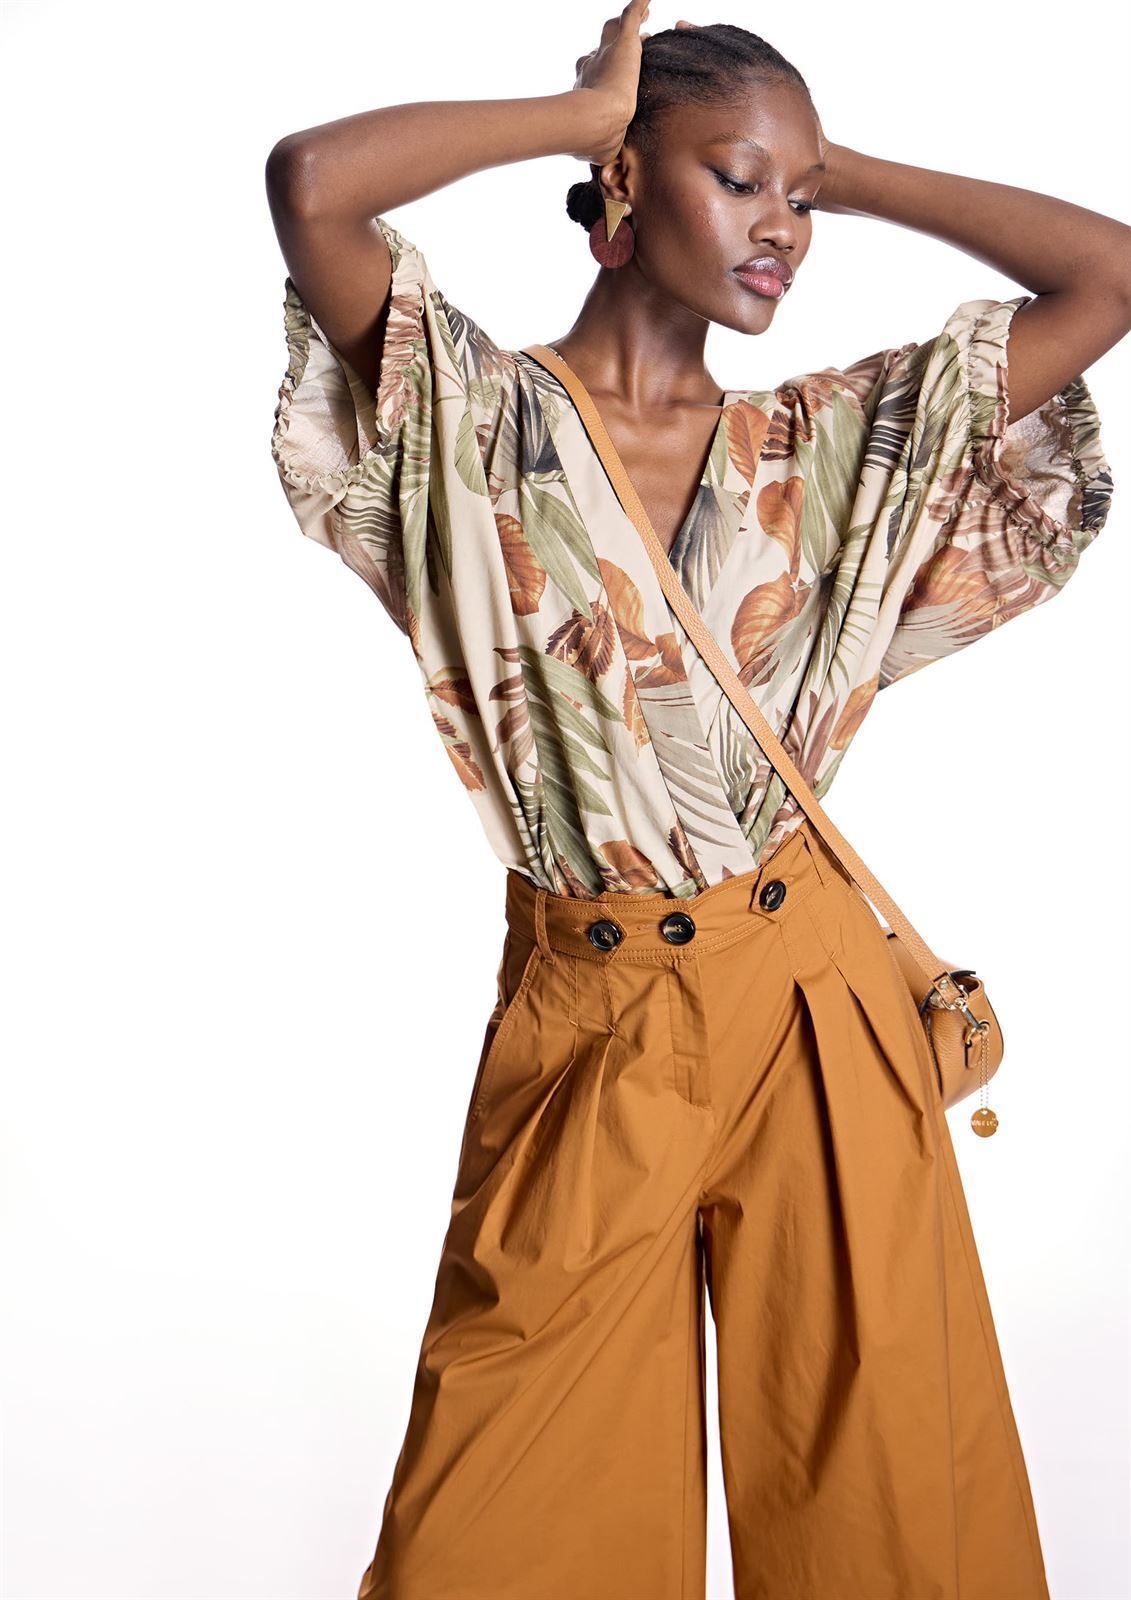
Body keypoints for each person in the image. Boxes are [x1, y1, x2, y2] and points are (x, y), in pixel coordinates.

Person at [265, 8, 1126, 1597]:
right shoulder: (472, 424)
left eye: (802, 198)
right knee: (493, 1532)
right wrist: (573, 111)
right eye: (739, 180)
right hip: (590, 1011)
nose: (782, 227)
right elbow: (314, 183)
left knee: (891, 1531)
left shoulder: (829, 446)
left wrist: (836, 168)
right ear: (624, 177)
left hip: (813, 1003)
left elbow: (1111, 276)